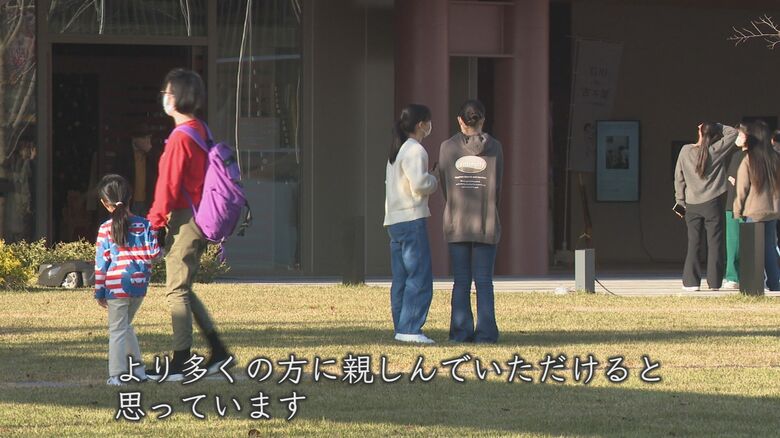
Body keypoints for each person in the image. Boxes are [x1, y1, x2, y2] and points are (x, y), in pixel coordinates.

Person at [146, 68, 232, 381]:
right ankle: (218, 351)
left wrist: (155, 222)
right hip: (202, 215)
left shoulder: (180, 137)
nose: (164, 97)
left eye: (167, 92)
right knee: (184, 288)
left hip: (186, 219)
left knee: (176, 291)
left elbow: (167, 186)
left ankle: (182, 360)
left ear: (178, 97)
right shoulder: (200, 129)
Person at [438, 100, 503, 343]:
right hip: (486, 220)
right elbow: (498, 185)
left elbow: (444, 182)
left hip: (457, 221)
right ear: (482, 120)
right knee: (484, 281)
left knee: (461, 280)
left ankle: (460, 331)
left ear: (460, 120)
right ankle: (486, 333)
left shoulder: (447, 147)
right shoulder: (495, 147)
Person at [94, 174, 160, 386]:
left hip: (116, 286)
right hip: (139, 286)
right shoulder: (145, 225)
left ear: (105, 203)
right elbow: (154, 254)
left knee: (117, 330)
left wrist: (99, 291)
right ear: (130, 197)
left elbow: (101, 264)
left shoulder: (105, 229)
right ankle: (138, 371)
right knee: (125, 326)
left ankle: (117, 375)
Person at [383, 103, 438, 344]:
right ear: (421, 125)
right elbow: (420, 184)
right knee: (419, 275)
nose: (430, 126)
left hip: (394, 219)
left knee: (401, 278)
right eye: (428, 122)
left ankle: (401, 326)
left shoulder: (397, 150)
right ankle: (411, 328)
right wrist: (434, 179)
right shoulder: (416, 150)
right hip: (411, 217)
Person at [674, 122, 738, 291]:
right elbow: (733, 133)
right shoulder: (716, 150)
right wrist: (717, 126)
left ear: (699, 131)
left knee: (694, 242)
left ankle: (691, 282)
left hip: (691, 204)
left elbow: (679, 178)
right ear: (714, 135)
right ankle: (714, 282)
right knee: (715, 243)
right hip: (712, 203)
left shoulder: (685, 151)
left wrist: (680, 201)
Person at [733, 122, 780, 291]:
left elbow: (742, 188)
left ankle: (754, 284)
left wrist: (737, 210)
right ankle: (774, 283)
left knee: (752, 250)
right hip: (772, 211)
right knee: (769, 248)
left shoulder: (749, 159)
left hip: (754, 211)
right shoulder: (776, 158)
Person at [722, 124, 749, 290]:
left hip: (737, 206)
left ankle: (734, 276)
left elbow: (732, 179)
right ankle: (741, 275)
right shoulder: (741, 156)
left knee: (735, 243)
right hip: (746, 206)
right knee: (742, 243)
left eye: (740, 135)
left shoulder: (741, 156)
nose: (737, 138)